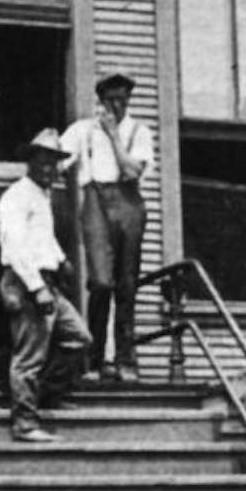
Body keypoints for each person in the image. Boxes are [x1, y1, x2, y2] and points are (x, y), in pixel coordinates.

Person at [0, 128, 92, 443]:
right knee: (29, 357)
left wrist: (62, 260)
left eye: (55, 163)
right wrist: (36, 287)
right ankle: (24, 423)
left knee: (78, 338)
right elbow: (16, 246)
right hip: (25, 282)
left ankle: (46, 396)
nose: (51, 170)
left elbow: (43, 239)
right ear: (31, 163)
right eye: (45, 163)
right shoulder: (17, 196)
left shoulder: (42, 195)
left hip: (47, 281)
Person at [60, 72, 154, 384]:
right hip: (95, 202)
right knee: (101, 282)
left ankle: (126, 360)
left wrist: (114, 136)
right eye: (111, 100)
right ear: (100, 101)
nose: (117, 106)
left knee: (127, 284)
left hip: (129, 204)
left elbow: (131, 172)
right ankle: (95, 360)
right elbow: (56, 160)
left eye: (123, 99)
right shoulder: (83, 131)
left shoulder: (139, 132)